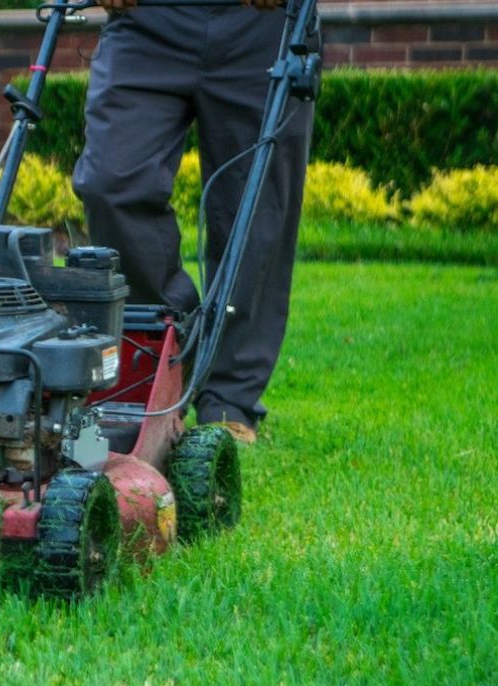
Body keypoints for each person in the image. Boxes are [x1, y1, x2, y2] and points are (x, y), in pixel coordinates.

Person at [73, 0, 316, 444]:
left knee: (255, 207)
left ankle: (230, 396)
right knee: (111, 181)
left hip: (260, 21)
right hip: (148, 20)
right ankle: (173, 340)